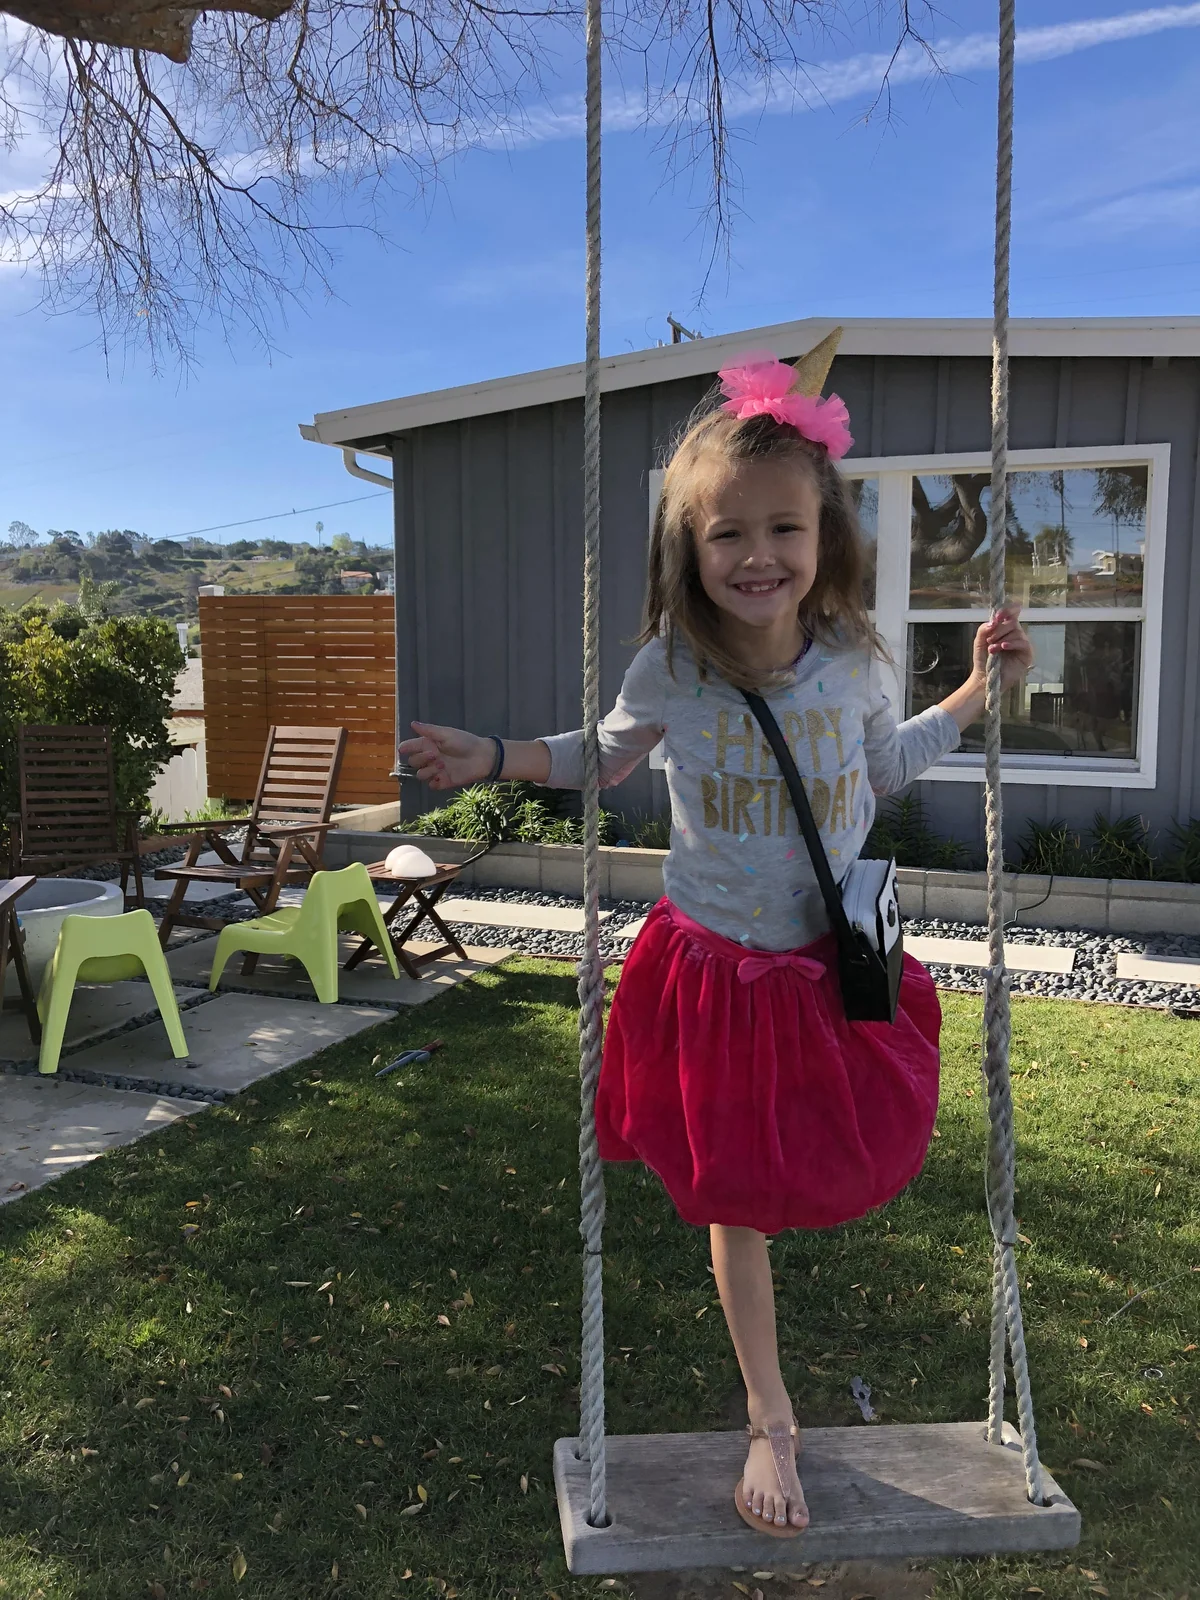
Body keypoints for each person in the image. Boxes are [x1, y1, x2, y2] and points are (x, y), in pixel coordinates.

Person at [399, 345, 1034, 1540]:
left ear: (823, 536)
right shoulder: (673, 670)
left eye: (783, 528)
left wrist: (968, 697)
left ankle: (779, 1396)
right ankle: (769, 1418)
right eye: (725, 533)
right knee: (732, 1200)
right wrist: (496, 756)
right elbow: (601, 754)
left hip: (823, 968)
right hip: (711, 974)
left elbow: (886, 766)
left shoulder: (853, 663)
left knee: (834, 1154)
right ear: (689, 549)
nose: (757, 555)